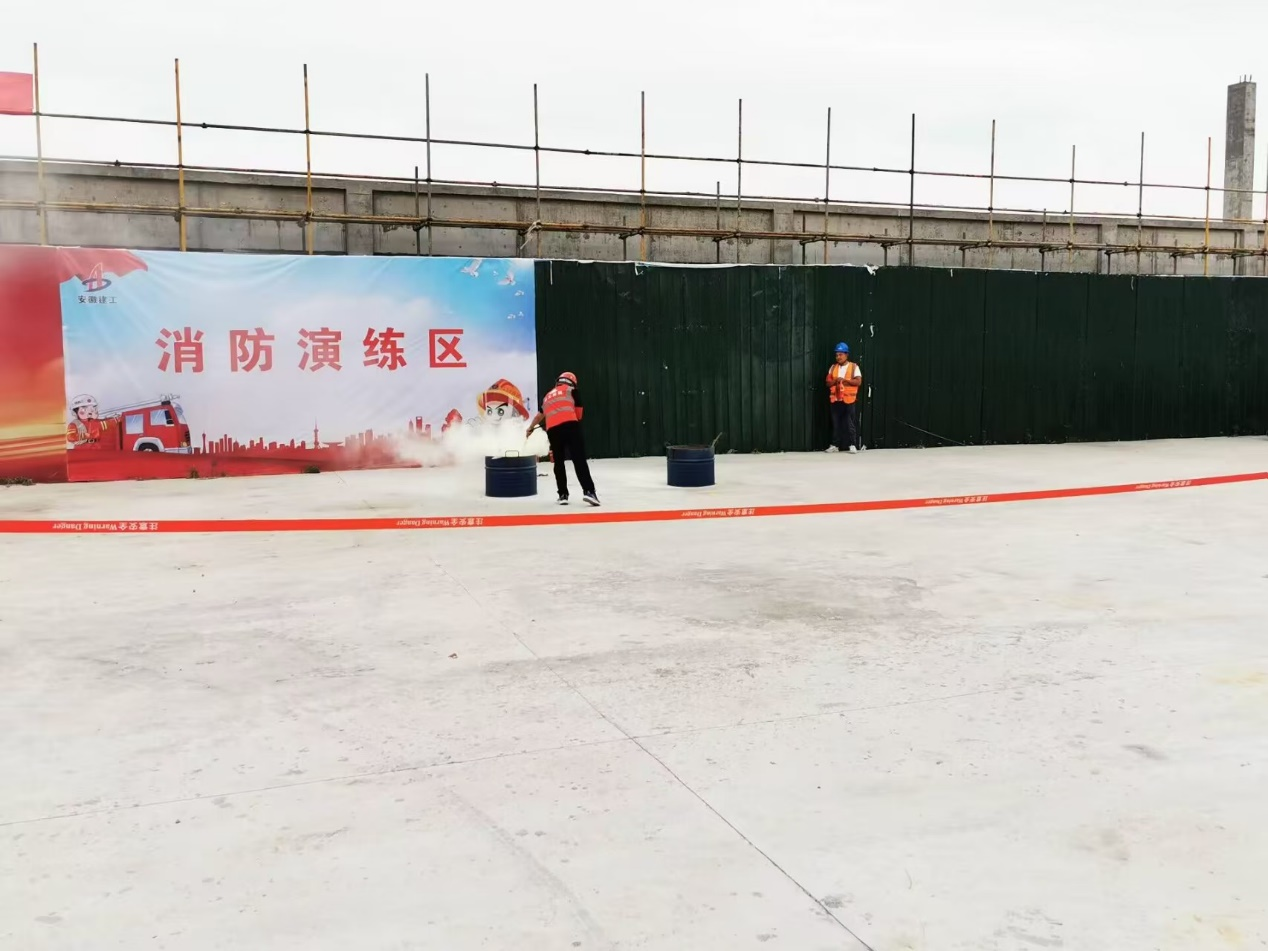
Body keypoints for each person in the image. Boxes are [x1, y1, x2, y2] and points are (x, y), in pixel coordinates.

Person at [525, 371, 600, 506]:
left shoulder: (548, 396)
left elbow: (539, 416)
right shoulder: (572, 391)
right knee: (579, 460)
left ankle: (563, 495)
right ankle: (589, 492)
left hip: (553, 430)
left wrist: (530, 428)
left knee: (558, 463)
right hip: (571, 426)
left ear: (558, 382)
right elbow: (579, 415)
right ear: (572, 382)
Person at [825, 342, 863, 453]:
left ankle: (852, 445)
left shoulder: (854, 367)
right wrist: (835, 381)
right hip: (835, 399)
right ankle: (835, 445)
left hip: (849, 399)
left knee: (850, 423)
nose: (838, 357)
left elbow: (858, 381)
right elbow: (828, 383)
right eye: (837, 355)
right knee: (835, 423)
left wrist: (845, 381)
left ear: (847, 355)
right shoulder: (833, 368)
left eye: (840, 354)